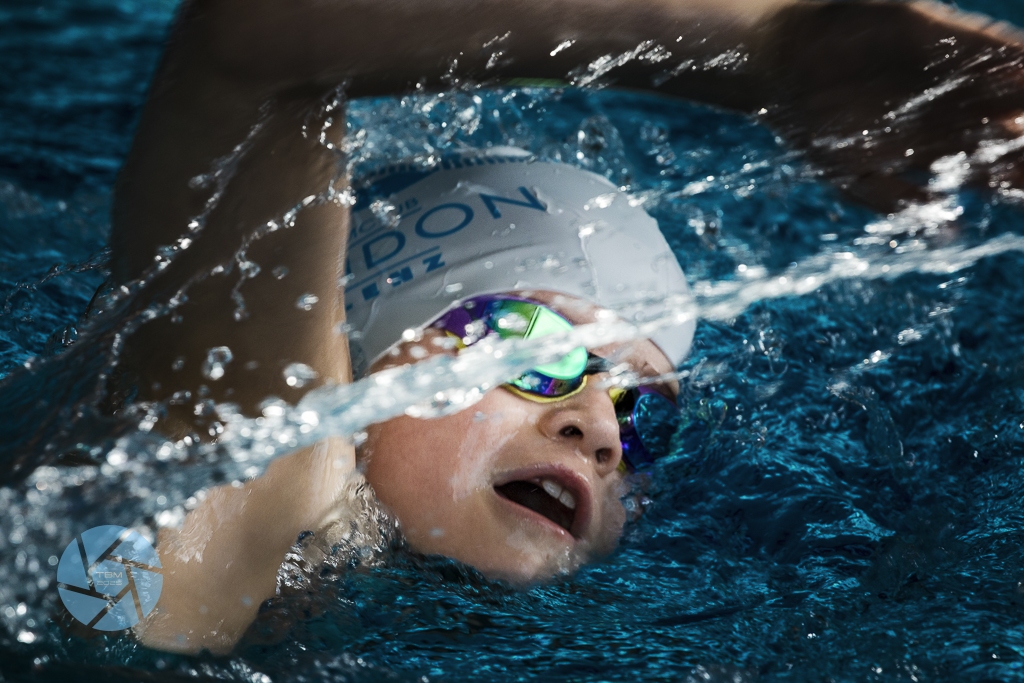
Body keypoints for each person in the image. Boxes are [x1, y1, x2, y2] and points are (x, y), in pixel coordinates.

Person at [78, 0, 1024, 654]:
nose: (601, 429)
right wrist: (778, 42)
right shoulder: (235, 476)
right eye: (532, 348)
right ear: (354, 347)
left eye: (644, 412)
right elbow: (249, 43)